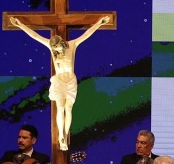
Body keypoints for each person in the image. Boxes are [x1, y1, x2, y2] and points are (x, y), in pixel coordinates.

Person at [9, 15, 111, 151]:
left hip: (70, 82)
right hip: (59, 81)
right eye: (54, 50)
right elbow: (35, 36)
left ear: (61, 44)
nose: (57, 52)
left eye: (57, 49)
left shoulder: (72, 45)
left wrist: (99, 23)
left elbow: (87, 34)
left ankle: (66, 134)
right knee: (60, 108)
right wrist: (20, 25)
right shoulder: (52, 49)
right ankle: (61, 136)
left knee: (68, 109)